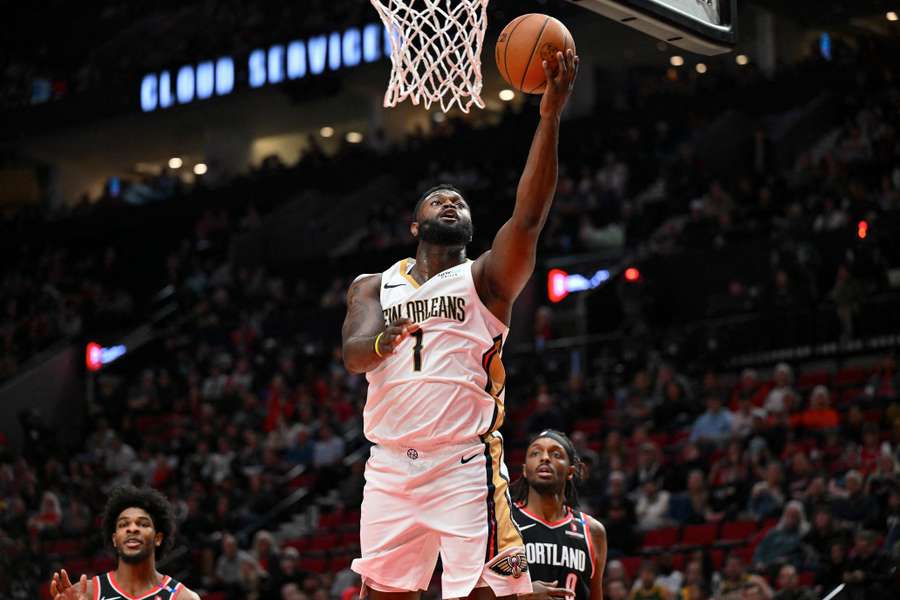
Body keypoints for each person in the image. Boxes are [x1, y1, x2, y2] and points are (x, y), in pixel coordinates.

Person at [342, 49, 580, 600]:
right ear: (414, 224)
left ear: (470, 227)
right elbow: (354, 355)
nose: (450, 201)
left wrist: (549, 117)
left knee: (488, 594)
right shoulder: (373, 285)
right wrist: (386, 338)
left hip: (462, 463)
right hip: (389, 465)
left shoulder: (486, 280)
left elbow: (529, 216)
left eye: (459, 201)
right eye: (437, 199)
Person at [49, 485, 199, 600]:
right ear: (114, 539)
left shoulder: (182, 597)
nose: (132, 529)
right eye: (123, 524)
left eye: (143, 524)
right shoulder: (87, 593)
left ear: (158, 538)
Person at [509, 430, 607, 600]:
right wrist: (520, 596)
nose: (545, 458)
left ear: (571, 471)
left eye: (556, 454)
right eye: (535, 453)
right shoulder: (504, 523)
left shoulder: (592, 531)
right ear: (525, 470)